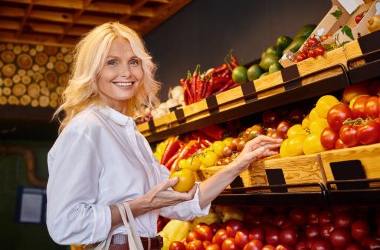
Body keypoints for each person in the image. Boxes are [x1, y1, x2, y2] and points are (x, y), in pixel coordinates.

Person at [46, 22, 282, 250]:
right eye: (112, 62)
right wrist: (141, 205)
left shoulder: (130, 134)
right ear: (93, 71)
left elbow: (184, 202)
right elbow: (65, 225)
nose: (126, 72)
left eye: (134, 62)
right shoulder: (86, 129)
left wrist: (239, 162)